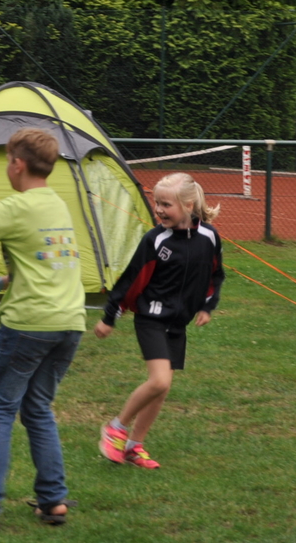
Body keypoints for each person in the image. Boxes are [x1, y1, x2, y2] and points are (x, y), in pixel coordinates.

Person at [0, 128, 84, 529]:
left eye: (7, 161)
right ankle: (53, 500)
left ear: (18, 164)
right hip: (69, 323)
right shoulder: (58, 205)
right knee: (38, 408)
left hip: (28, 325)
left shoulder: (16, 206)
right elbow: (46, 263)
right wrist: (0, 281)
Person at [94, 172, 225, 470]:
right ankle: (116, 428)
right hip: (150, 318)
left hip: (178, 324)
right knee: (159, 380)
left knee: (161, 389)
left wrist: (207, 306)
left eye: (166, 204)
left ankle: (134, 447)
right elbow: (130, 281)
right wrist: (110, 317)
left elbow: (215, 274)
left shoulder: (209, 237)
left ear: (188, 205)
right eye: (157, 203)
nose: (159, 210)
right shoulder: (155, 240)